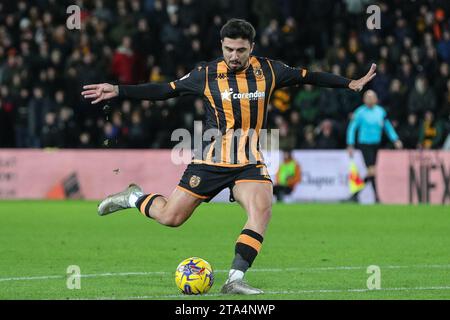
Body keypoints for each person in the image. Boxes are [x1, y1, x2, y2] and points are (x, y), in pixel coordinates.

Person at [82, 19, 377, 295]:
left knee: (262, 210)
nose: (233, 56)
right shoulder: (206, 74)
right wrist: (119, 90)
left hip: (248, 162)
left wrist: (348, 83)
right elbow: (165, 90)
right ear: (221, 45)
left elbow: (308, 76)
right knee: (171, 218)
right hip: (210, 161)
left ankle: (235, 278)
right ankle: (134, 197)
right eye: (228, 49)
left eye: (240, 50)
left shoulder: (270, 71)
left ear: (252, 48)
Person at [346, 90, 403, 203]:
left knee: (372, 171)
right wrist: (350, 144)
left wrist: (395, 139)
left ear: (376, 99)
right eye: (368, 97)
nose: (370, 99)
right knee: (372, 170)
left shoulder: (381, 112)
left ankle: (356, 194)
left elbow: (387, 126)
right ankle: (375, 197)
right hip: (364, 144)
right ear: (364, 99)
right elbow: (352, 128)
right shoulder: (360, 112)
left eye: (372, 97)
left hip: (376, 144)